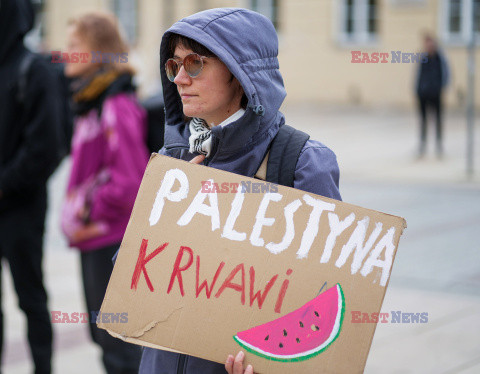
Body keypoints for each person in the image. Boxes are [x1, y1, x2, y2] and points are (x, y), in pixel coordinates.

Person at [137, 8, 341, 374]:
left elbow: (322, 310)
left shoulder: (303, 164)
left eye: (195, 63)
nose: (180, 78)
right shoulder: (171, 156)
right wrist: (164, 212)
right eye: (173, 65)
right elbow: (130, 276)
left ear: (240, 72)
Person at [61, 12, 149, 374]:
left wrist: (87, 207)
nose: (65, 54)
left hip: (111, 240)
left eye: (74, 46)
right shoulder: (91, 101)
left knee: (117, 344)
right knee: (103, 338)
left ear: (99, 51)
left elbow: (130, 183)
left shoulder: (115, 105)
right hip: (93, 238)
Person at [0, 0, 63, 373]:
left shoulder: (35, 69)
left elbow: (46, 147)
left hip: (22, 208)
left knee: (31, 300)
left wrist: (5, 184)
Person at [416, 33, 450, 158]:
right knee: (423, 120)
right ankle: (422, 144)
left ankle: (439, 145)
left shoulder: (440, 58)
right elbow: (418, 75)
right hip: (423, 94)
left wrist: (441, 88)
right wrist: (417, 90)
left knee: (438, 120)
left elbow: (446, 74)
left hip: (435, 93)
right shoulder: (423, 58)